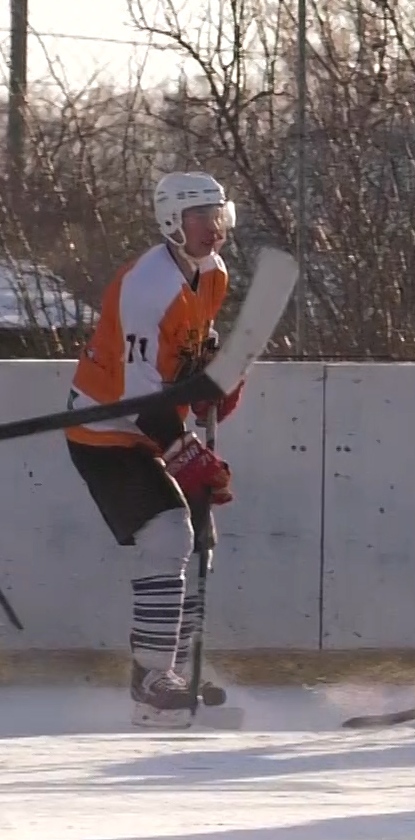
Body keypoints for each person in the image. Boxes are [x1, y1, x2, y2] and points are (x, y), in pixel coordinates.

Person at [64, 172, 243, 729]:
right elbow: (139, 393)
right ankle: (150, 682)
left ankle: (171, 671)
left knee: (194, 544)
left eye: (218, 215)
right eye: (199, 218)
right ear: (172, 221)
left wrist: (210, 381)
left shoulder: (211, 275)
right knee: (169, 533)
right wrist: (187, 451)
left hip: (149, 423)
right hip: (105, 430)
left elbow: (186, 355)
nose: (213, 229)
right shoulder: (148, 286)